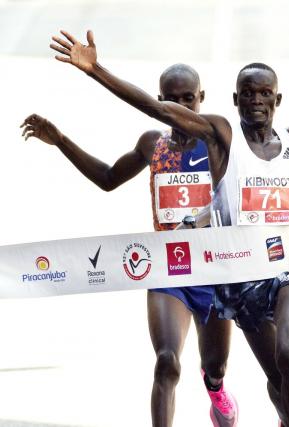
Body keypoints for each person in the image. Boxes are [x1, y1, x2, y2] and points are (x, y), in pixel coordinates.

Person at [48, 24, 289, 427]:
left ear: (278, 98)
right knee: (275, 375)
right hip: (241, 277)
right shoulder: (221, 137)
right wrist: (97, 71)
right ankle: (274, 411)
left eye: (264, 93)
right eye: (248, 93)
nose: (256, 100)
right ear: (235, 99)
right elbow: (160, 110)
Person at [19, 64, 238, 427]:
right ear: (159, 101)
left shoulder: (216, 141)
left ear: (201, 99)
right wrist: (60, 141)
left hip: (215, 270)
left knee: (215, 365)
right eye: (172, 99)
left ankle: (215, 388)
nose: (181, 107)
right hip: (169, 269)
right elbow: (108, 178)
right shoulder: (154, 144)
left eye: (189, 99)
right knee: (167, 362)